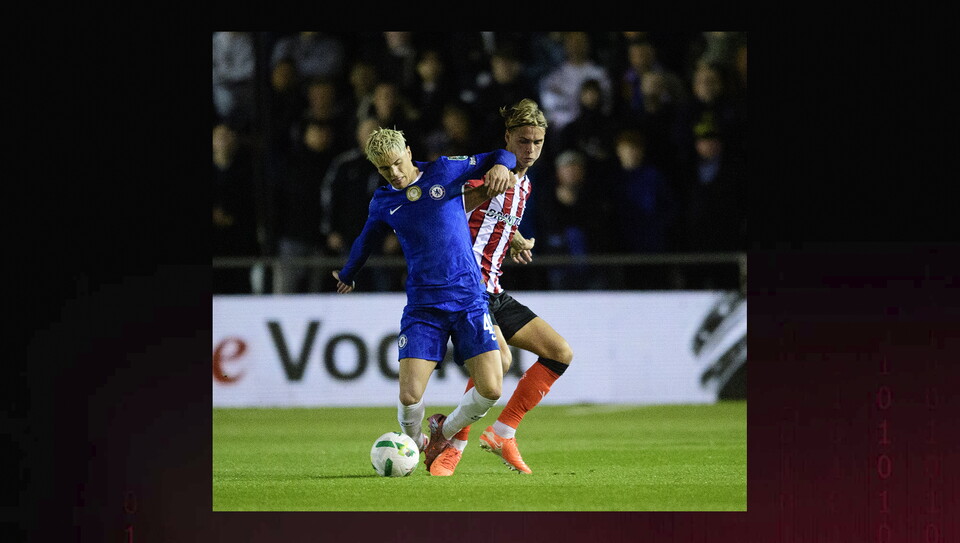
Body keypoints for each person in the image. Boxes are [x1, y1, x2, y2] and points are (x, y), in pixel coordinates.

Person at [332, 127, 517, 476]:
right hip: (423, 307)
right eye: (385, 169)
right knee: (408, 396)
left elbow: (499, 155)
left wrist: (501, 166)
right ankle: (414, 444)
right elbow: (365, 240)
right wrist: (348, 273)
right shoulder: (384, 202)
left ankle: (441, 434)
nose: (395, 174)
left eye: (399, 164)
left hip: (468, 300)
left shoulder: (445, 171)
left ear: (408, 151)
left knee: (491, 389)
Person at [442, 98, 574, 475]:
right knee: (498, 362)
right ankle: (454, 440)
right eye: (522, 141)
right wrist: (488, 181)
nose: (530, 149)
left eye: (537, 142)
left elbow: (493, 218)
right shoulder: (489, 172)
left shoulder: (525, 184)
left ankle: (503, 431)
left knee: (559, 352)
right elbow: (452, 209)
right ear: (507, 139)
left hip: (494, 291)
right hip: (467, 290)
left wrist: (513, 237)